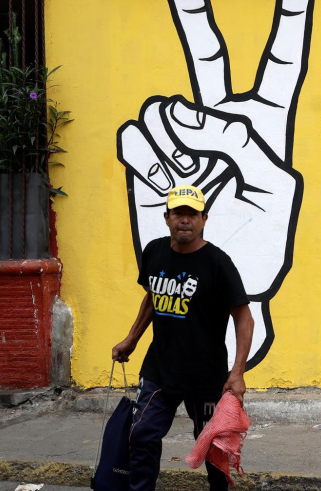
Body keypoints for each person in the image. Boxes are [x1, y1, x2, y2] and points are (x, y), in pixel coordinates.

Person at [112, 185, 254, 491]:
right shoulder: (154, 251)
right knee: (142, 434)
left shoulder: (218, 263)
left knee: (213, 446)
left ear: (204, 219)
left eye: (192, 214)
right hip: (160, 370)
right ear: (167, 218)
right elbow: (152, 296)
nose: (185, 220)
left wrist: (237, 373)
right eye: (179, 213)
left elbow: (244, 318)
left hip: (206, 376)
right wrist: (132, 339)